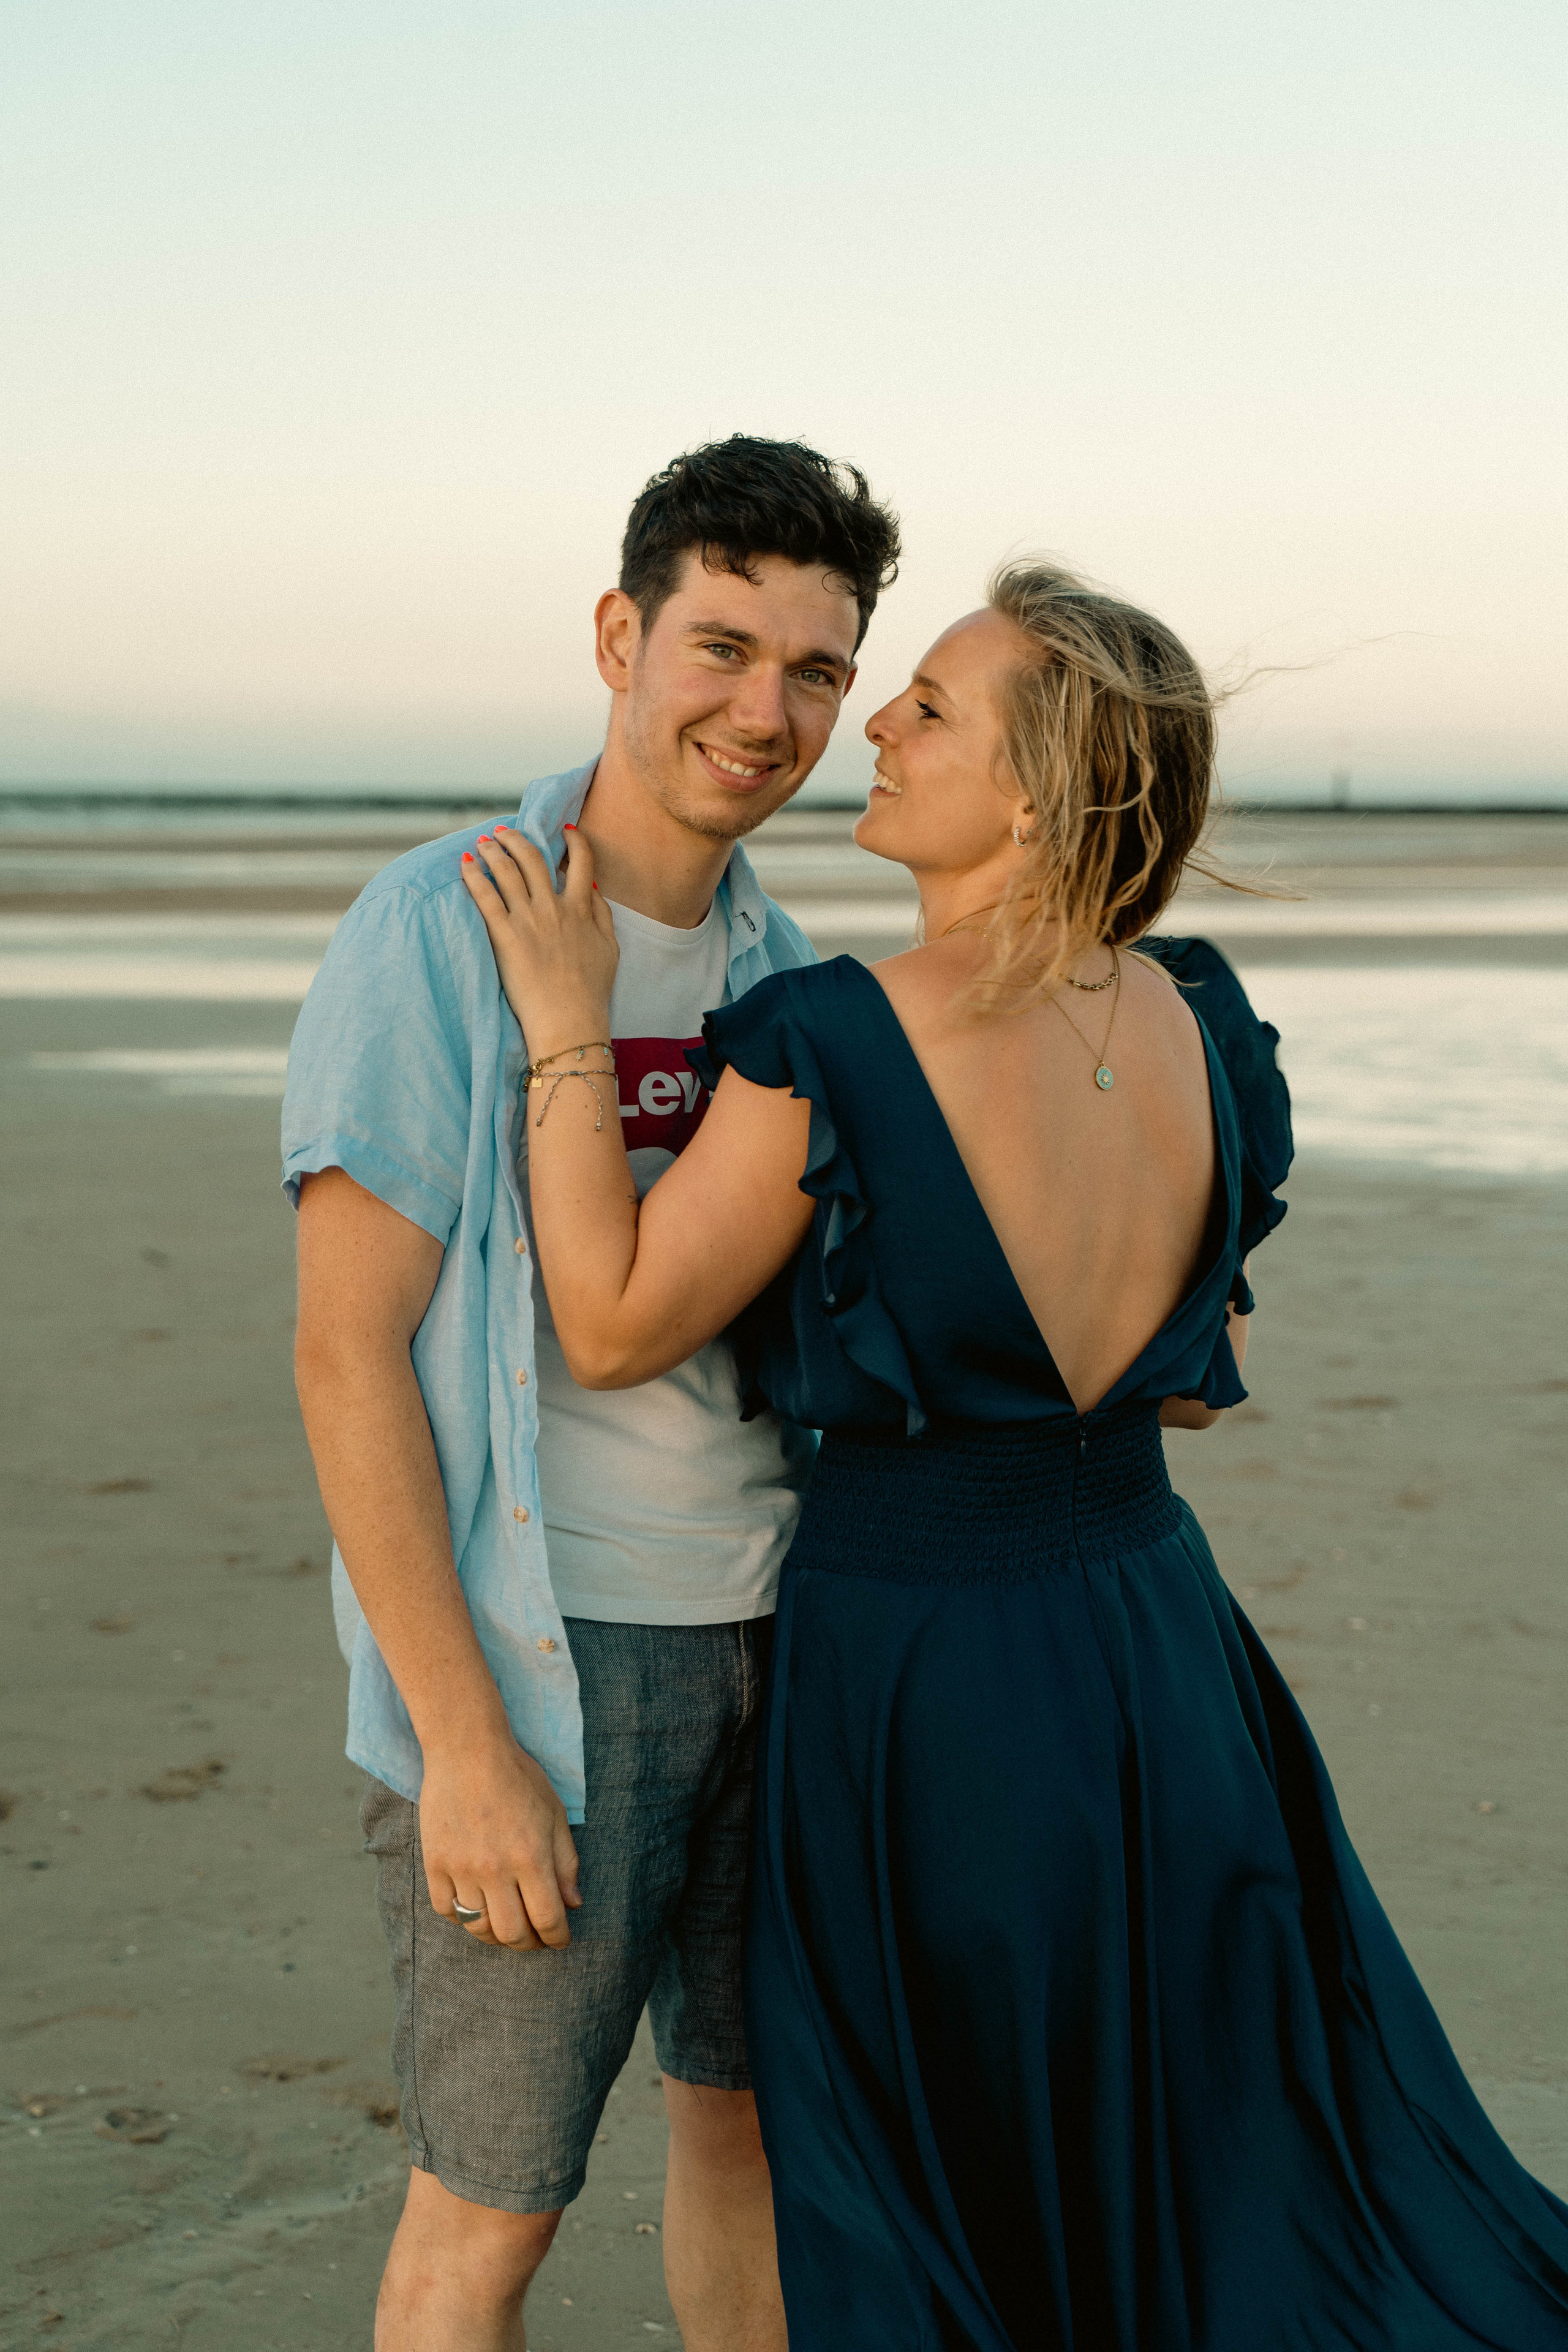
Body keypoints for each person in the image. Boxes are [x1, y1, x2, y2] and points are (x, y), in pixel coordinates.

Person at [461, 560, 1568, 2348]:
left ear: (1039, 792)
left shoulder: (831, 1037)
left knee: (947, 2173)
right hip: (1156, 1649)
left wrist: (565, 1019)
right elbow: (1184, 1388)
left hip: (925, 1676)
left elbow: (608, 1319)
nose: (874, 726)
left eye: (929, 707)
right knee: (1195, 2150)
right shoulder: (1201, 1021)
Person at [284, 434, 900, 2351]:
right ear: (621, 635)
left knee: (751, 2141)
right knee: (493, 2208)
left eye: (816, 671)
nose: (765, 710)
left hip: (776, 1642)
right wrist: (462, 1740)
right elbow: (344, 1352)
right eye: (721, 646)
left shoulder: (787, 976)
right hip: (557, 1670)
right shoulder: (439, 927)